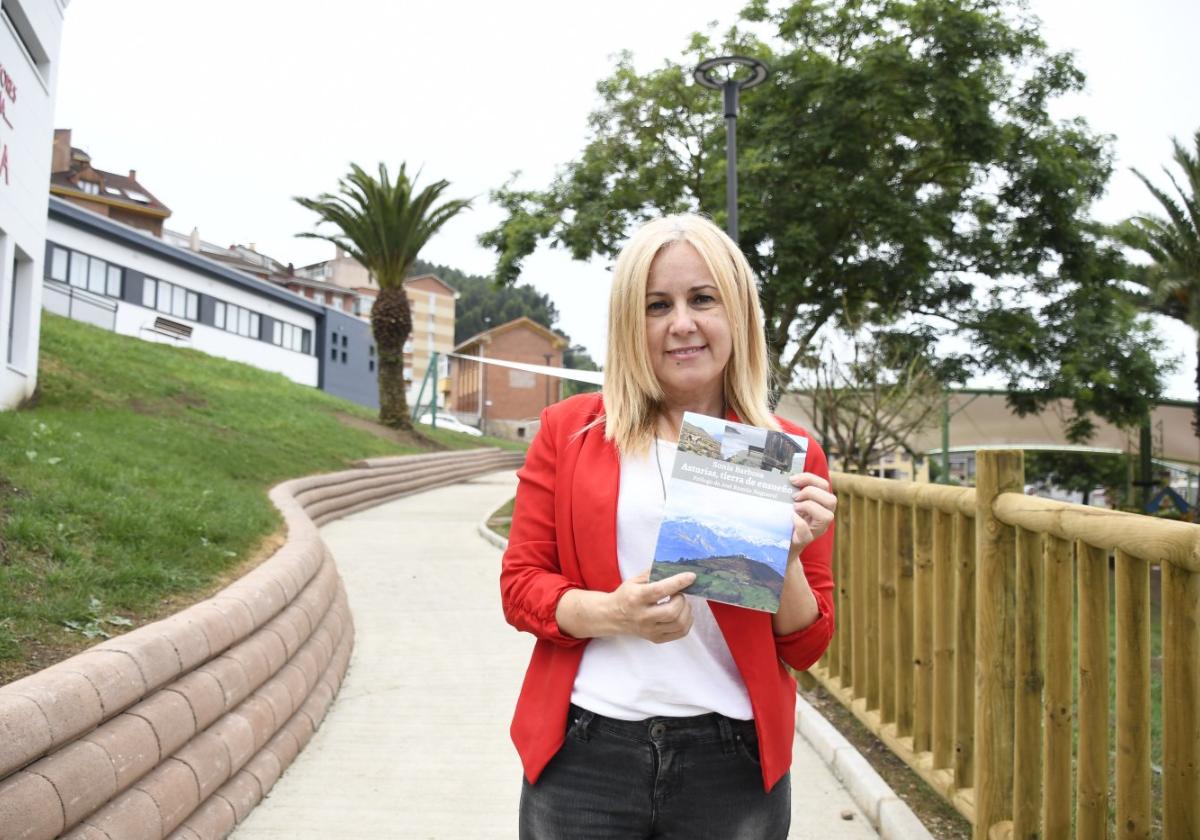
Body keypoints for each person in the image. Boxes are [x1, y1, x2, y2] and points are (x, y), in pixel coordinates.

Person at [500, 214, 837, 840]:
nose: (681, 323)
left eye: (702, 299)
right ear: (633, 323)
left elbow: (806, 647)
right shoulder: (571, 432)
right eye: (658, 305)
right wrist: (615, 613)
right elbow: (520, 587)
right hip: (585, 751)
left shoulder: (780, 452)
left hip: (731, 760)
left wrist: (786, 555)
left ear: (737, 313)